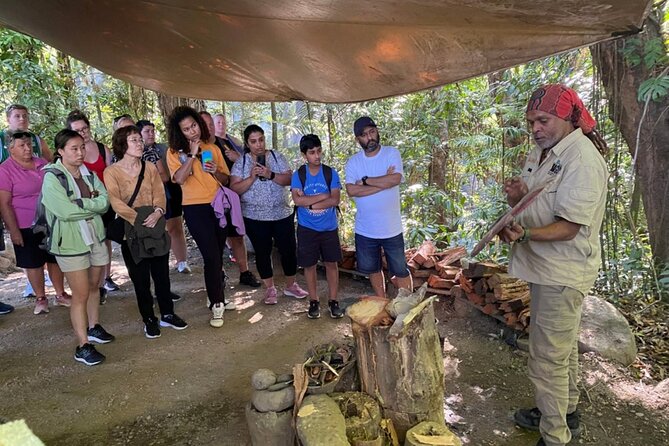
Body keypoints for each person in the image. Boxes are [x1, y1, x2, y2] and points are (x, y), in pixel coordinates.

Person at [498, 84, 608, 446]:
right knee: (559, 353)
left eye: (543, 120)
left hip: (562, 273)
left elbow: (569, 226)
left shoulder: (584, 160)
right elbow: (536, 199)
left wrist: (525, 236)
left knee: (546, 359)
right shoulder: (544, 150)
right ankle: (567, 411)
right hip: (543, 268)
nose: (536, 128)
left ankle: (555, 436)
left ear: (568, 118)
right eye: (531, 122)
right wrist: (518, 195)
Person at [105, 125, 188, 338]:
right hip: (130, 230)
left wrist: (159, 211)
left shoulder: (149, 167)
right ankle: (149, 319)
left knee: (162, 275)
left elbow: (160, 194)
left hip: (155, 224)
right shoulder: (111, 172)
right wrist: (139, 219)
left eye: (140, 140)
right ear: (122, 144)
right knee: (140, 278)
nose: (140, 143)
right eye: (134, 140)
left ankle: (167, 314)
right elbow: (115, 202)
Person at [42, 129, 114, 366]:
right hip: (70, 243)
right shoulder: (52, 177)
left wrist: (82, 203)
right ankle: (82, 345)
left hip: (94, 236)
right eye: (74, 148)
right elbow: (64, 211)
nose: (80, 152)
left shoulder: (90, 175)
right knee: (80, 294)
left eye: (82, 147)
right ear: (60, 151)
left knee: (94, 287)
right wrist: (91, 206)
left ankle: (94, 327)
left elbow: (104, 203)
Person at [165, 106, 233, 327]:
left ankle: (217, 296)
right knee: (211, 255)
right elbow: (179, 179)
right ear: (179, 133)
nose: (192, 131)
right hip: (195, 208)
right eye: (186, 129)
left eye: (193, 125)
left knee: (218, 253)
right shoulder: (173, 153)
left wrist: (215, 171)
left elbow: (225, 180)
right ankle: (217, 304)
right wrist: (192, 155)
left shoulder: (212, 147)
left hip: (218, 205)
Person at [229, 124, 308, 304]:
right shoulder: (241, 162)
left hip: (282, 213)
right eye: (253, 141)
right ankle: (270, 289)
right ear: (247, 144)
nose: (259, 144)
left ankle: (291, 285)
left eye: (261, 139)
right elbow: (234, 189)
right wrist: (251, 177)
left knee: (288, 251)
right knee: (262, 252)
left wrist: (270, 174)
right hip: (255, 217)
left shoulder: (276, 156)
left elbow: (290, 179)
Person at [0, 131, 71, 314]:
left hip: (49, 220)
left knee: (53, 258)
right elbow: (4, 203)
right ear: (11, 149)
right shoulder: (5, 169)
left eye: (29, 144)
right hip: (24, 224)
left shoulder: (42, 163)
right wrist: (13, 230)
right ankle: (40, 298)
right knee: (33, 262)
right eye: (22, 145)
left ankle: (61, 294)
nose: (27, 148)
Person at [344, 116, 412, 297]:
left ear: (377, 131)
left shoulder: (391, 153)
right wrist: (383, 183)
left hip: (392, 228)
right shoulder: (354, 162)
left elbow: (395, 179)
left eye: (372, 132)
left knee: (401, 270)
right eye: (364, 135)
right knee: (372, 269)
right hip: (366, 229)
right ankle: (382, 301)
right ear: (358, 139)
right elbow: (351, 190)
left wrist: (365, 181)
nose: (370, 137)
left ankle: (407, 305)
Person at [200, 111, 260, 288]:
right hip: (207, 200)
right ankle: (219, 273)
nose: (210, 128)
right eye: (205, 124)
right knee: (214, 239)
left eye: (211, 124)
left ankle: (244, 272)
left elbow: (242, 166)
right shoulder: (196, 149)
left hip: (230, 195)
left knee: (237, 236)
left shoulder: (226, 143)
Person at [66, 110, 120, 301]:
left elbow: (111, 173)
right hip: (83, 206)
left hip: (104, 202)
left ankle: (106, 277)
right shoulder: (69, 154)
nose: (83, 132)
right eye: (78, 130)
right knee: (88, 240)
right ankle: (91, 284)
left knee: (105, 239)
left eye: (85, 128)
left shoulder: (101, 148)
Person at [2, 104, 54, 298]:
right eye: (17, 116)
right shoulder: (1, 140)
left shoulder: (38, 141)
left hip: (46, 214)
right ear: (9, 119)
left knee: (51, 255)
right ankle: (36, 290)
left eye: (25, 115)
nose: (22, 119)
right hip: (14, 202)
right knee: (30, 256)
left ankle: (56, 290)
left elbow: (51, 162)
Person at [290, 134, 344, 319]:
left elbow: (335, 199)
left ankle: (333, 300)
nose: (317, 156)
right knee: (309, 265)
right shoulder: (299, 175)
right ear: (304, 155)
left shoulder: (330, 173)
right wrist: (323, 196)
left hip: (328, 228)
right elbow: (297, 200)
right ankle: (313, 301)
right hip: (307, 228)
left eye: (319, 151)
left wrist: (309, 203)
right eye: (312, 152)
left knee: (331, 264)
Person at [136, 119, 190, 275]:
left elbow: (168, 175)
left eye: (153, 131)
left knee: (175, 226)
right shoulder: (134, 152)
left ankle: (182, 262)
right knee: (157, 230)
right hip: (148, 196)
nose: (151, 134)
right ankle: (159, 265)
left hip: (170, 191)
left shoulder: (164, 149)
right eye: (147, 131)